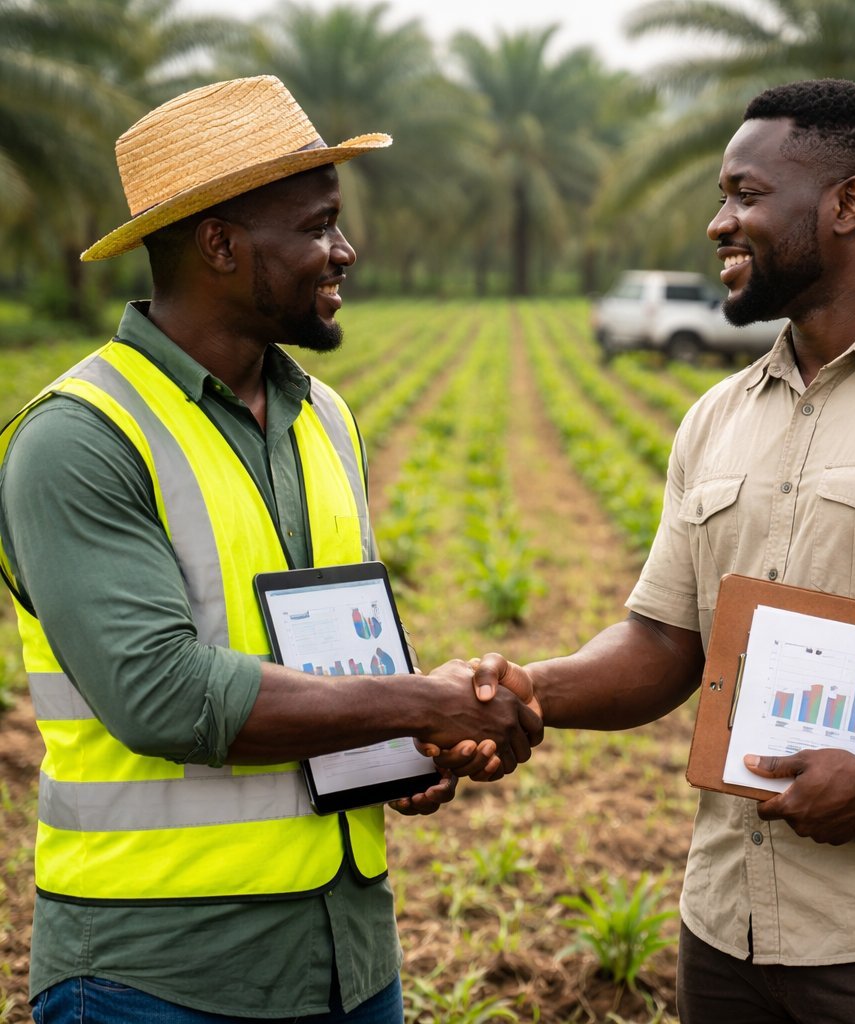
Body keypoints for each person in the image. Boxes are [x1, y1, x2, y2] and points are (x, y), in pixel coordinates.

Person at [452, 78, 855, 1021]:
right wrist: (521, 692)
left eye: (746, 195)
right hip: (725, 931)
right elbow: (665, 644)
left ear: (848, 204)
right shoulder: (717, 417)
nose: (720, 223)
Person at [0, 75, 540, 1024]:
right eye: (319, 225)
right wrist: (426, 699)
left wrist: (406, 750)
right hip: (157, 977)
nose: (346, 250)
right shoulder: (78, 438)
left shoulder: (323, 417)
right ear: (219, 244)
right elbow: (161, 694)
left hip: (349, 956)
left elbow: (326, 651)